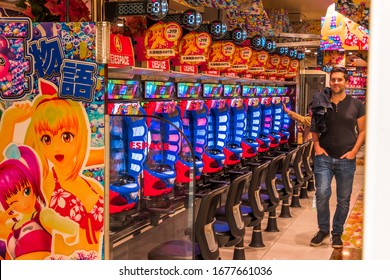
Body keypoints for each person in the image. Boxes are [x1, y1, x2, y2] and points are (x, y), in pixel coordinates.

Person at [0, 79, 104, 259]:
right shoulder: (45, 179)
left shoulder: (89, 183)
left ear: (80, 136)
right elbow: (8, 166)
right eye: (47, 139)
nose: (57, 147)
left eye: (66, 136)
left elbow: (103, 153)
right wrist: (10, 121)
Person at [310, 67, 365, 248]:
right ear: (330, 81)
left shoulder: (356, 105)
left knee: (343, 198)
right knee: (322, 194)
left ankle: (337, 233)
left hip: (346, 159)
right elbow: (314, 127)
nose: (335, 82)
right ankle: (323, 229)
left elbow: (363, 130)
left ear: (346, 82)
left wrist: (354, 151)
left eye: (339, 80)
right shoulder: (320, 102)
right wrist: (316, 146)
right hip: (323, 158)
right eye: (333, 79)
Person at [0, 144, 78, 259]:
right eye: (13, 202)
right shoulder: (13, 227)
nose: (23, 203)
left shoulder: (43, 216)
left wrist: (67, 241)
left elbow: (74, 229)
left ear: (33, 184)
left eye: (26, 191)